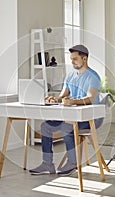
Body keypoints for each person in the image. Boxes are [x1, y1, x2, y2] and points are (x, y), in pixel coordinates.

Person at [29, 44, 103, 175]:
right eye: (71, 59)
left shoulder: (93, 77)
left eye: (75, 59)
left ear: (84, 59)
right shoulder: (70, 76)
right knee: (45, 127)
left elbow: (90, 98)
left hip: (90, 118)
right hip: (70, 115)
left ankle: (72, 162)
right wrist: (55, 99)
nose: (72, 61)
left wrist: (73, 101)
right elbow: (63, 95)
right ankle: (47, 164)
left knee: (66, 127)